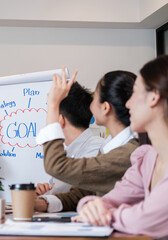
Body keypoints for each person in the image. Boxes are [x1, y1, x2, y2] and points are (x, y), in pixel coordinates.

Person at [74, 55, 168, 239]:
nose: (127, 103)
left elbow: (145, 220)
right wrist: (92, 207)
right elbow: (109, 199)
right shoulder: (146, 158)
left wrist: (107, 215)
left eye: (135, 92)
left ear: (154, 96)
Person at [35, 68, 139, 213]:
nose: (90, 105)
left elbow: (56, 166)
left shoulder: (129, 153)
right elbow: (86, 191)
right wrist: (42, 203)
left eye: (95, 97)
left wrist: (53, 104)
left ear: (105, 107)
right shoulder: (110, 147)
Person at [34, 82, 104, 212]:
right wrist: (44, 192)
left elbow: (77, 193)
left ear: (60, 120)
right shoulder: (68, 151)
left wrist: (46, 197)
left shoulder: (97, 148)